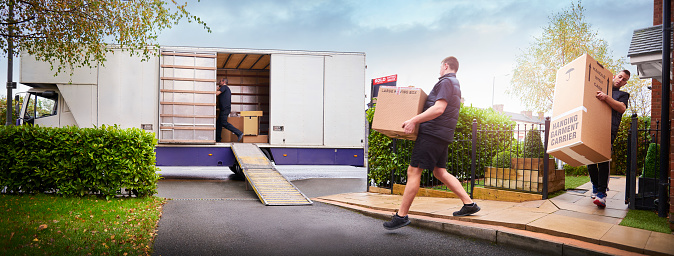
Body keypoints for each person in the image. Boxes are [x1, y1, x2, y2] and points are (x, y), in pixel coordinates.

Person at [383, 56, 480, 230]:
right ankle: (469, 203)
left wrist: (413, 120)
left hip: (432, 134)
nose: (439, 71)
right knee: (440, 172)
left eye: (440, 67)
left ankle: (401, 215)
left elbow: (438, 108)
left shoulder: (446, 82)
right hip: (442, 134)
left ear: (445, 65)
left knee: (413, 170)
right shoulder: (454, 84)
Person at [588, 70, 630, 208]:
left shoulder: (623, 95)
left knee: (603, 160)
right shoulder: (598, 88)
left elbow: (622, 108)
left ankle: (601, 195)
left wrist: (606, 98)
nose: (621, 80)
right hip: (592, 127)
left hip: (608, 131)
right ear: (614, 76)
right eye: (620, 77)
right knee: (590, 159)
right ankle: (595, 186)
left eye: (624, 80)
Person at [215, 78, 243, 142]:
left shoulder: (224, 87)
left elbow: (216, 94)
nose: (219, 82)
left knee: (224, 123)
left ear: (224, 82)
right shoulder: (226, 89)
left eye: (220, 81)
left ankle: (239, 133)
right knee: (218, 124)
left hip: (225, 109)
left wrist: (216, 90)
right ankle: (218, 139)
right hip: (223, 109)